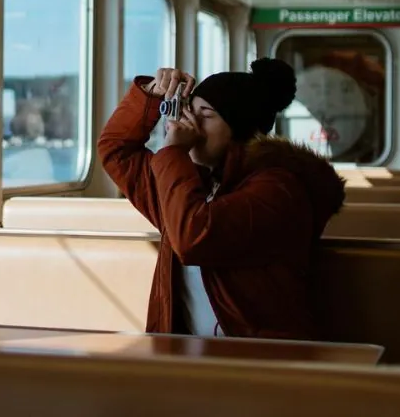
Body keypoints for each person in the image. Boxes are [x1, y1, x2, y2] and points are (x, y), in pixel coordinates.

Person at [97, 58, 345, 340]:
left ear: (240, 131)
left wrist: (173, 153)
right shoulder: (195, 184)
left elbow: (193, 239)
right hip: (188, 352)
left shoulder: (279, 190)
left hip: (261, 358)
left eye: (206, 114)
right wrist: (152, 95)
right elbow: (116, 150)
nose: (189, 124)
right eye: (189, 110)